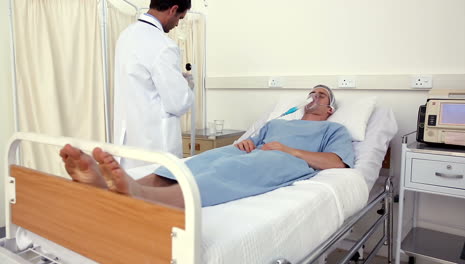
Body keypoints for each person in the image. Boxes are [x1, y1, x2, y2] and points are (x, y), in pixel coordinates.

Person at [60, 85, 354, 208]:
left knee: (229, 170)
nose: (315, 96)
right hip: (257, 151)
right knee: (206, 159)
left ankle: (143, 196)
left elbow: (337, 163)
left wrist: (286, 150)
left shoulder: (332, 128)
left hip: (284, 161)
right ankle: (116, 189)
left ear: (330, 109)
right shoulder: (279, 122)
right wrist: (251, 141)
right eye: (312, 92)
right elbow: (256, 141)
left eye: (323, 95)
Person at [113, 0, 194, 170]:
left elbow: (141, 83)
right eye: (180, 17)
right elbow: (178, 102)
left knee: (131, 192)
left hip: (128, 143)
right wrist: (187, 84)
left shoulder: (126, 36)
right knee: (155, 194)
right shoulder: (163, 45)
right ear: (173, 10)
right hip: (156, 147)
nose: (177, 24)